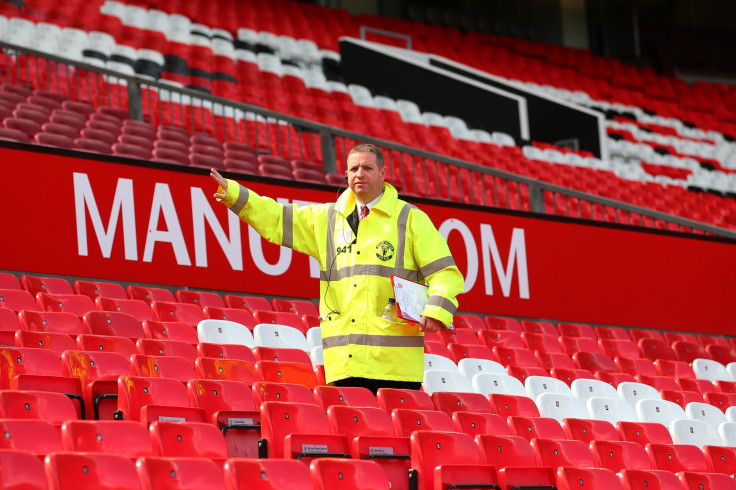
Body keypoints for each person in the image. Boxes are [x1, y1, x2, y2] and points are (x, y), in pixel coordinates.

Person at [210, 143, 464, 393]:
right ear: (346, 174)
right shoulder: (326, 219)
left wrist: (436, 311)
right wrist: (235, 195)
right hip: (344, 363)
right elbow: (276, 218)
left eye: (367, 168)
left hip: (395, 367)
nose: (359, 174)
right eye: (353, 169)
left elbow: (445, 273)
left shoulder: (410, 219)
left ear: (383, 174)